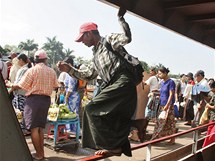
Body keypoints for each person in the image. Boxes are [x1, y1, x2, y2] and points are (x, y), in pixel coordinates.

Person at [57, 7, 137, 156]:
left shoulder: (109, 40)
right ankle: (120, 144)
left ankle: (108, 146)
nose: (82, 42)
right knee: (107, 115)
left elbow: (127, 37)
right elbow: (88, 76)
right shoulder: (95, 56)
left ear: (89, 33)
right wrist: (69, 69)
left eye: (83, 38)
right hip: (114, 84)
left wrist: (120, 18)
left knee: (91, 108)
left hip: (123, 80)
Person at [11, 49, 58, 160]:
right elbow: (55, 86)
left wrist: (12, 85)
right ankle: (41, 153)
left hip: (34, 101)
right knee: (40, 128)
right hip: (46, 100)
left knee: (33, 128)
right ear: (45, 59)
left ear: (35, 60)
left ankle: (39, 154)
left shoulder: (32, 70)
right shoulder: (51, 71)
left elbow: (22, 85)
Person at [7, 53, 32, 135]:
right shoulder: (28, 69)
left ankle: (22, 130)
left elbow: (18, 84)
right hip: (25, 94)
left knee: (19, 112)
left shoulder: (23, 70)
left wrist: (10, 87)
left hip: (20, 93)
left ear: (21, 60)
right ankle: (25, 128)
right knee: (24, 112)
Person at [151, 66, 177, 145]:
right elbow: (163, 92)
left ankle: (156, 139)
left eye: (160, 74)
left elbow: (171, 94)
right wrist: (157, 91)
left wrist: (167, 105)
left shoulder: (171, 82)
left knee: (166, 122)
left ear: (165, 73)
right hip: (162, 104)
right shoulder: (162, 82)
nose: (159, 75)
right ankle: (159, 138)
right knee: (166, 122)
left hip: (168, 106)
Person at [63, 56, 80, 132]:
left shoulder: (72, 73)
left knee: (71, 114)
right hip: (71, 94)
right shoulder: (68, 73)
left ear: (69, 64)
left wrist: (66, 97)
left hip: (72, 96)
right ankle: (70, 130)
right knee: (69, 113)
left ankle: (73, 131)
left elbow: (70, 87)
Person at [202, 81, 215, 147]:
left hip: (213, 117)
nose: (211, 90)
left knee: (211, 133)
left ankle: (207, 146)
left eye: (211, 88)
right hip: (212, 117)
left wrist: (208, 105)